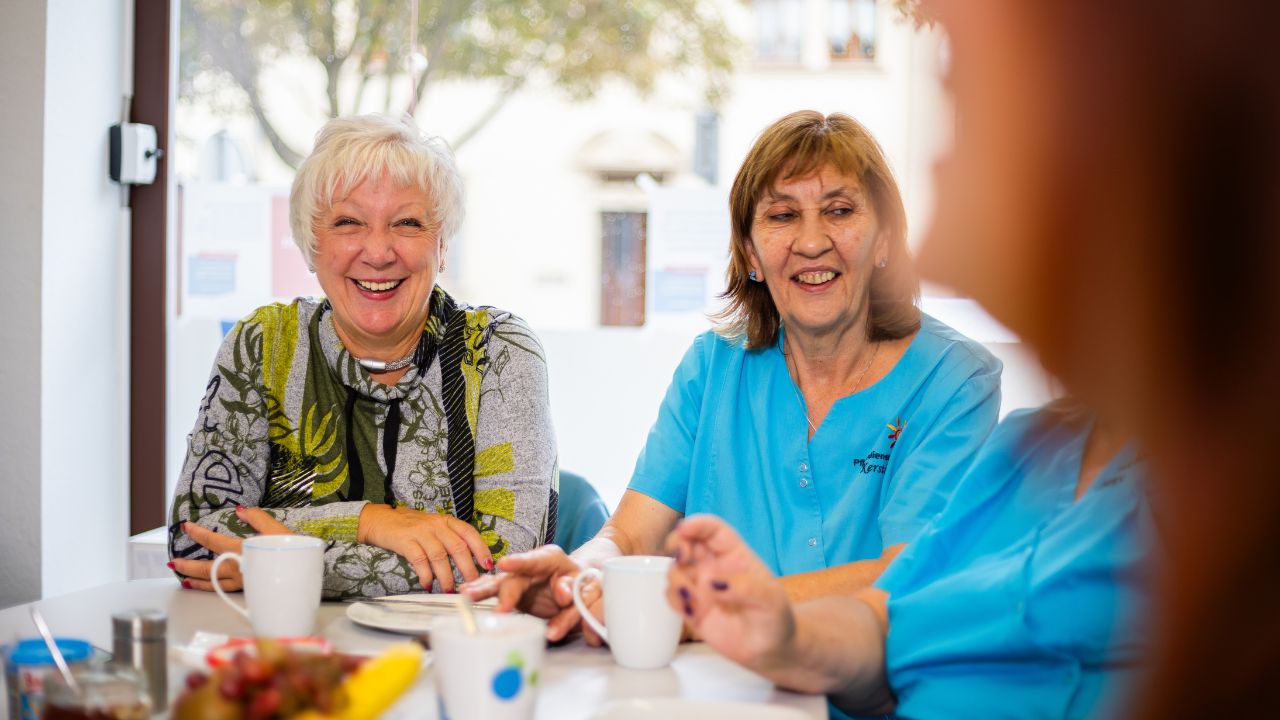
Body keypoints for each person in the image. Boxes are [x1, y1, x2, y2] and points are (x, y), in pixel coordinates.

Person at [468, 111, 1002, 641]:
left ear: (884, 241)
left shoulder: (953, 381)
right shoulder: (712, 367)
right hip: (712, 687)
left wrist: (694, 607)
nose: (812, 241)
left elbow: (906, 574)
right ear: (751, 253)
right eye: (782, 215)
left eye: (839, 210)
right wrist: (577, 575)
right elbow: (629, 536)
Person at [168, 114, 558, 599]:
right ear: (311, 245)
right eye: (348, 222)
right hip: (282, 649)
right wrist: (368, 522)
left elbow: (505, 561)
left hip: (451, 655)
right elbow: (195, 540)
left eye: (407, 223)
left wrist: (285, 567)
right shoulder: (261, 345)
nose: (377, 251)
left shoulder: (499, 351)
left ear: (442, 247)